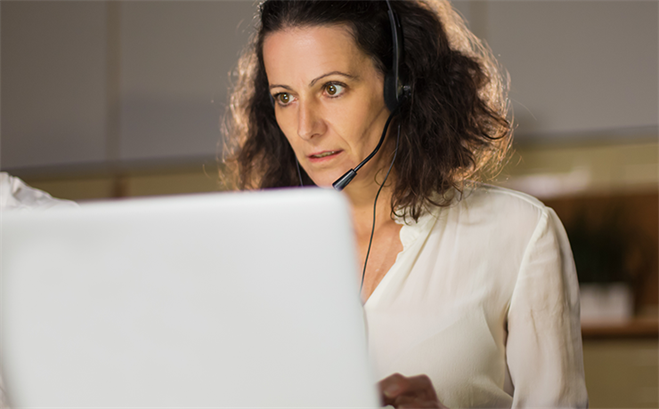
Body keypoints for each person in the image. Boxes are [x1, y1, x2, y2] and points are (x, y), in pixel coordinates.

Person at [222, 0, 588, 407]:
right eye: (285, 97)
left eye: (332, 88)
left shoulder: (519, 233)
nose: (307, 127)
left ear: (401, 87)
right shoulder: (252, 253)